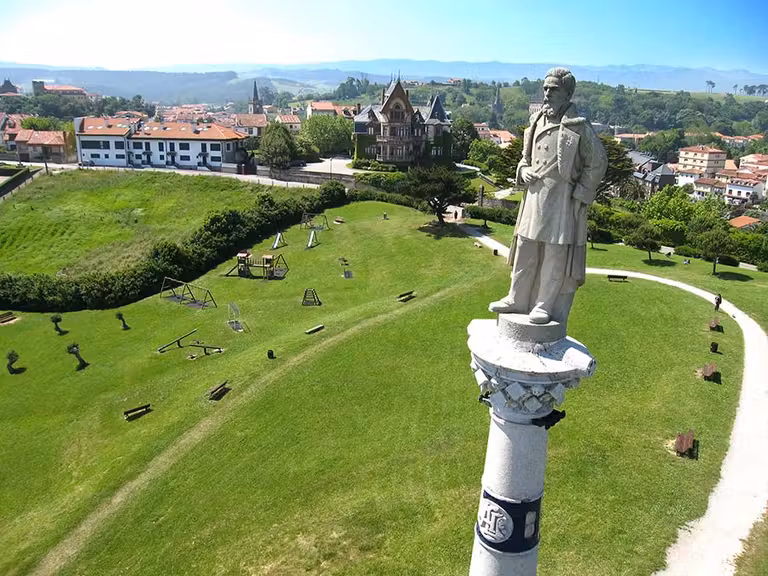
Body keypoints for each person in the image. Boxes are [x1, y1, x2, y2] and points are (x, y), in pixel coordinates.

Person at [489, 68, 608, 325]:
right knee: (524, 248)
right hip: (533, 197)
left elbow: (598, 162)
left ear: (567, 94)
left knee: (554, 254)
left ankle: (544, 305)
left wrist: (580, 193)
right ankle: (517, 297)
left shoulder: (579, 127)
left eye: (553, 89)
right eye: (545, 88)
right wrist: (524, 170)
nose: (547, 93)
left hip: (561, 200)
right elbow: (524, 158)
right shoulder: (535, 121)